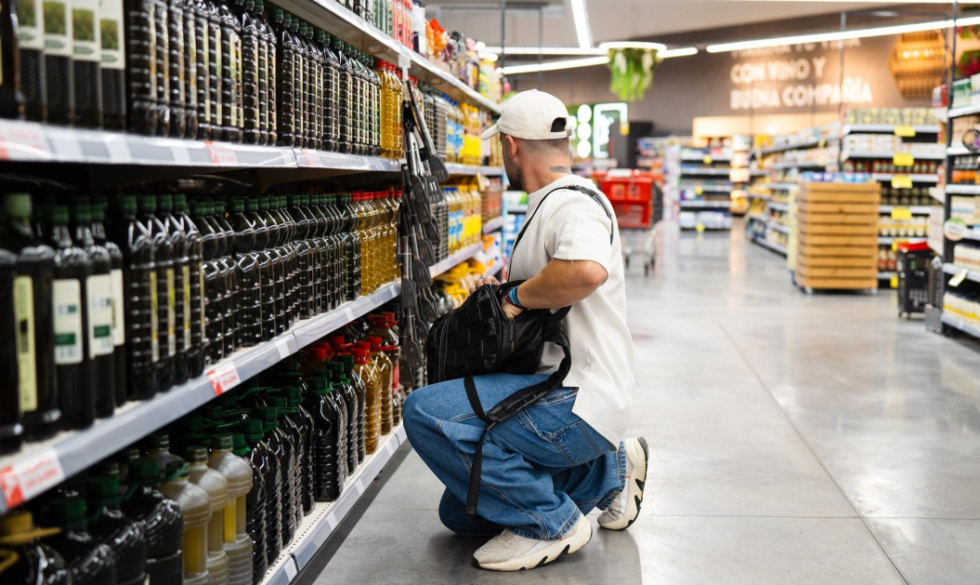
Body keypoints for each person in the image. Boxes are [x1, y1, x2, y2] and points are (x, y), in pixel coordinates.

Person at [402, 89, 646, 572]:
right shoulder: (551, 202)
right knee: (462, 511)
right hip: (565, 389)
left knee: (426, 413)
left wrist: (515, 297)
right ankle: (611, 471)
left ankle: (552, 522)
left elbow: (586, 271)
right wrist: (502, 291)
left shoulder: (572, 205)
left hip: (576, 397)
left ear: (511, 146)